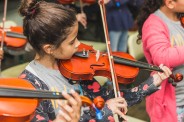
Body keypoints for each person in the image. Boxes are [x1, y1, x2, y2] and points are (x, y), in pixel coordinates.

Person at [18, 0, 172, 121]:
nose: (79, 44)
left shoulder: (75, 67)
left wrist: (152, 83)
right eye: (72, 42)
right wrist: (104, 113)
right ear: (49, 48)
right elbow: (105, 109)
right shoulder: (30, 87)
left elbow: (111, 101)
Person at [137, 0, 184, 122]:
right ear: (170, 3)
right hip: (173, 106)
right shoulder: (154, 24)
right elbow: (162, 57)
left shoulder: (180, 17)